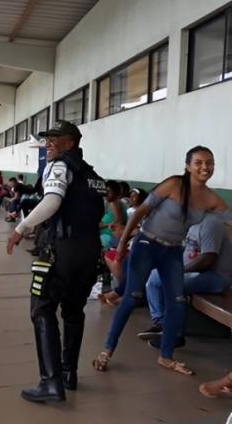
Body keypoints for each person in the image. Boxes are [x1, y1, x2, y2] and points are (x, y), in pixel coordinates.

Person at [92, 146, 229, 376]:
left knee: (176, 301)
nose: (204, 167)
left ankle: (166, 356)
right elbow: (139, 212)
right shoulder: (173, 185)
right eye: (199, 162)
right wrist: (124, 243)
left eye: (209, 163)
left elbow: (230, 224)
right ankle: (107, 350)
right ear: (188, 166)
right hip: (147, 244)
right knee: (131, 297)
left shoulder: (211, 198)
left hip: (172, 252)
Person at [6, 120, 107, 403]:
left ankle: (50, 382)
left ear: (70, 143)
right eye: (46, 138)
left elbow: (51, 201)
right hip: (89, 252)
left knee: (42, 309)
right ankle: (68, 373)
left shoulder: (60, 165)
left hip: (60, 250)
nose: (48, 143)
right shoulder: (92, 175)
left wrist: (20, 229)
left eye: (54, 138)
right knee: (74, 311)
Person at [137, 215, 232, 349]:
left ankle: (176, 335)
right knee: (154, 276)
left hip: (216, 277)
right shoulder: (192, 222)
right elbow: (185, 250)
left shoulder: (212, 223)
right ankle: (161, 323)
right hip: (196, 272)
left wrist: (179, 270)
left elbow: (208, 259)